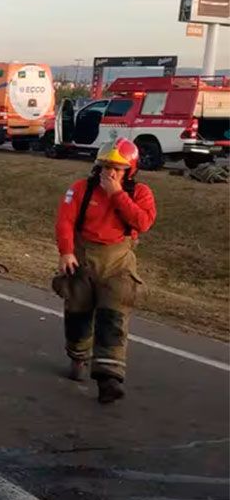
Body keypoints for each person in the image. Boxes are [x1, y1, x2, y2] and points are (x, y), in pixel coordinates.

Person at [53, 137, 156, 403]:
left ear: (129, 171)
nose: (109, 172)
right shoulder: (80, 189)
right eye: (105, 166)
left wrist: (117, 195)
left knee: (113, 316)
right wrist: (66, 251)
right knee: (78, 311)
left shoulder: (140, 193)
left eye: (117, 168)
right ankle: (77, 355)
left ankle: (109, 378)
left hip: (118, 262)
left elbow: (142, 222)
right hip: (83, 258)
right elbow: (65, 221)